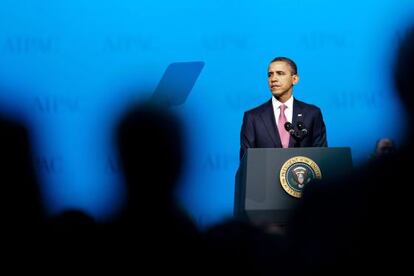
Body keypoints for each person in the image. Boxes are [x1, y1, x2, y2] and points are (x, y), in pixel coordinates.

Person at [240, 57, 327, 159]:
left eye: (280, 73)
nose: (273, 79)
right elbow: (246, 164)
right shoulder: (252, 117)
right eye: (270, 74)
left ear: (294, 79)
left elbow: (322, 157)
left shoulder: (312, 113)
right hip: (266, 175)